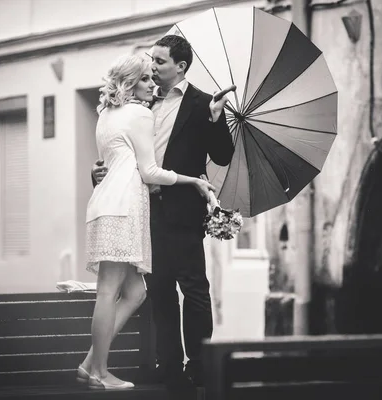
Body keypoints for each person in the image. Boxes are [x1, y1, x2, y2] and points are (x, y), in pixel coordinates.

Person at [92, 35, 234, 387]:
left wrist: (217, 119)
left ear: (180, 67)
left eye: (159, 62)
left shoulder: (204, 103)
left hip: (182, 211)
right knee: (159, 290)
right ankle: (168, 363)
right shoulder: (141, 101)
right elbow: (123, 153)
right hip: (143, 209)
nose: (151, 67)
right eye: (151, 61)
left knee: (194, 288)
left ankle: (198, 364)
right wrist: (99, 172)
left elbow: (223, 157)